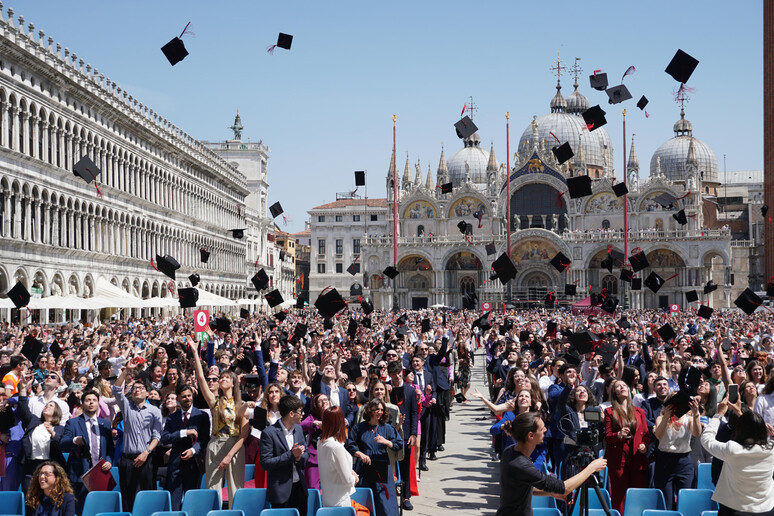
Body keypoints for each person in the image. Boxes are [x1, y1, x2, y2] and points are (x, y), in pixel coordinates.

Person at [497, 411, 607, 516]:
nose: (545, 430)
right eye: (541, 429)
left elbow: (525, 488)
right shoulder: (521, 464)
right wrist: (591, 468)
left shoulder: (510, 451)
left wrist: (551, 493)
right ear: (531, 435)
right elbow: (564, 488)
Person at [188, 336, 247, 506]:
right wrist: (195, 352)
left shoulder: (241, 405)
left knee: (236, 487)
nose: (221, 379)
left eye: (226, 377)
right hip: (215, 443)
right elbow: (200, 378)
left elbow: (244, 432)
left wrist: (230, 454)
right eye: (220, 378)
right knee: (212, 487)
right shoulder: (214, 401)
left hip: (235, 445)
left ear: (233, 382)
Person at [701, 400, 774, 516]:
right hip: (766, 510)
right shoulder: (771, 450)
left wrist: (718, 415)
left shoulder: (732, 449)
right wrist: (743, 415)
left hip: (735, 510)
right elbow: (753, 429)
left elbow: (706, 440)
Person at [112, 359, 162, 512]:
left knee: (146, 498)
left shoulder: (154, 411)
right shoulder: (127, 408)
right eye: (134, 388)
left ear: (147, 392)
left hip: (146, 459)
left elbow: (157, 436)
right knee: (128, 498)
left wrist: (146, 453)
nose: (137, 390)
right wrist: (127, 370)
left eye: (140, 388)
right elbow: (115, 389)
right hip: (128, 460)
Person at [60, 389, 114, 515]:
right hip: (80, 475)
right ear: (82, 403)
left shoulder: (105, 424)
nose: (91, 403)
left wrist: (109, 461)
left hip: (100, 473)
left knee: (99, 510)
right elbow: (63, 443)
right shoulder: (72, 423)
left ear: (98, 404)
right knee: (80, 511)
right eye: (88, 400)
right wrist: (75, 440)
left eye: (94, 400)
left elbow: (111, 448)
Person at [347, 399, 403, 516]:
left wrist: (386, 442)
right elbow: (349, 445)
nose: (380, 412)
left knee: (383, 499)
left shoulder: (387, 428)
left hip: (381, 464)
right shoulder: (359, 428)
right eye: (377, 409)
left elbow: (398, 444)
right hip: (364, 465)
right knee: (365, 498)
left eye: (382, 410)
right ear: (370, 410)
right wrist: (360, 454)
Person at [160, 384, 211, 511]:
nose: (187, 399)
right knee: (174, 504)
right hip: (176, 465)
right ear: (178, 398)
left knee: (193, 504)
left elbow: (205, 439)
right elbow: (165, 438)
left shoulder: (202, 416)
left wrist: (193, 451)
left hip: (194, 465)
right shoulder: (172, 417)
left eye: (189, 396)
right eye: (184, 397)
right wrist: (184, 433)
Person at [604, 379, 650, 514]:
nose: (622, 387)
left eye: (624, 385)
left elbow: (646, 434)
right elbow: (607, 436)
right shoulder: (609, 411)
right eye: (618, 386)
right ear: (615, 392)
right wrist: (618, 434)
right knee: (619, 495)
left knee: (638, 493)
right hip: (619, 455)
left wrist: (645, 445)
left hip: (637, 454)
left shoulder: (639, 411)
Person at [260, 395, 309, 515]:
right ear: (291, 414)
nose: (303, 414)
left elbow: (306, 454)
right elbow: (266, 463)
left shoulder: (298, 429)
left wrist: (298, 458)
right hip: (281, 491)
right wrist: (291, 455)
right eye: (300, 411)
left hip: (299, 488)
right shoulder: (269, 433)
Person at [17, 374, 66, 493]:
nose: (47, 407)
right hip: (31, 468)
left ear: (57, 412)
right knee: (30, 502)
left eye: (51, 406)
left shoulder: (60, 429)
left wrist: (52, 433)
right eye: (46, 405)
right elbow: (23, 411)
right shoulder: (34, 421)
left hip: (50, 468)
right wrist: (23, 389)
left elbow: (62, 445)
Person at [653, 394, 703, 510]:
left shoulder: (689, 419)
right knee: (666, 501)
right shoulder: (661, 419)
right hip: (665, 460)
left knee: (686, 499)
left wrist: (696, 414)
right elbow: (659, 436)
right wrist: (666, 416)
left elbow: (697, 433)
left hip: (683, 461)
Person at [318, 407, 359, 508]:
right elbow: (347, 480)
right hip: (340, 502)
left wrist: (351, 472)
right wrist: (355, 478)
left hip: (328, 500)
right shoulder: (335, 447)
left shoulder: (321, 443)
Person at [299, 393, 329, 489]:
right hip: (314, 458)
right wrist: (313, 423)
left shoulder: (334, 415)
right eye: (321, 401)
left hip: (330, 457)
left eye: (326, 399)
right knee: (312, 487)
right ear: (316, 405)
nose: (324, 402)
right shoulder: (312, 417)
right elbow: (300, 426)